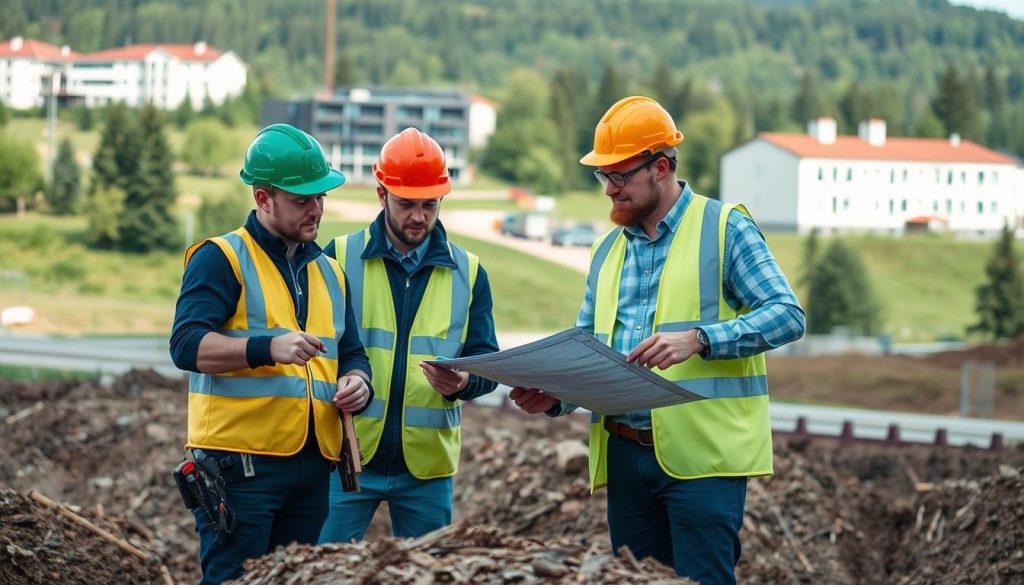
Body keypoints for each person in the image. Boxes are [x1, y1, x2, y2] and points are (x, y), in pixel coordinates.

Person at [509, 96, 806, 585]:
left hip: (704, 464)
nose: (608, 190)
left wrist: (701, 339)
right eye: (602, 177)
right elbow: (591, 346)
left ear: (662, 167)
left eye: (619, 176)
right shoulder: (606, 251)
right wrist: (556, 395)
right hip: (625, 460)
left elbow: (787, 316)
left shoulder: (724, 228)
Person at [170, 124, 373, 585]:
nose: (316, 208)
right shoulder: (221, 257)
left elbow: (353, 354)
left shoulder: (331, 272)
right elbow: (185, 345)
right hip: (239, 469)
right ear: (263, 198)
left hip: (311, 467)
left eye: (320, 196)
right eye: (302, 200)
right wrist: (268, 347)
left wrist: (359, 383)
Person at [318, 128, 499, 543]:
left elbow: (488, 362)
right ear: (381, 195)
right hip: (346, 458)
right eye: (406, 204)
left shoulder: (469, 273)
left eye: (429, 205)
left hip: (427, 471)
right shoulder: (338, 258)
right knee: (321, 572)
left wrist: (465, 383)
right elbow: (316, 351)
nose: (418, 216)